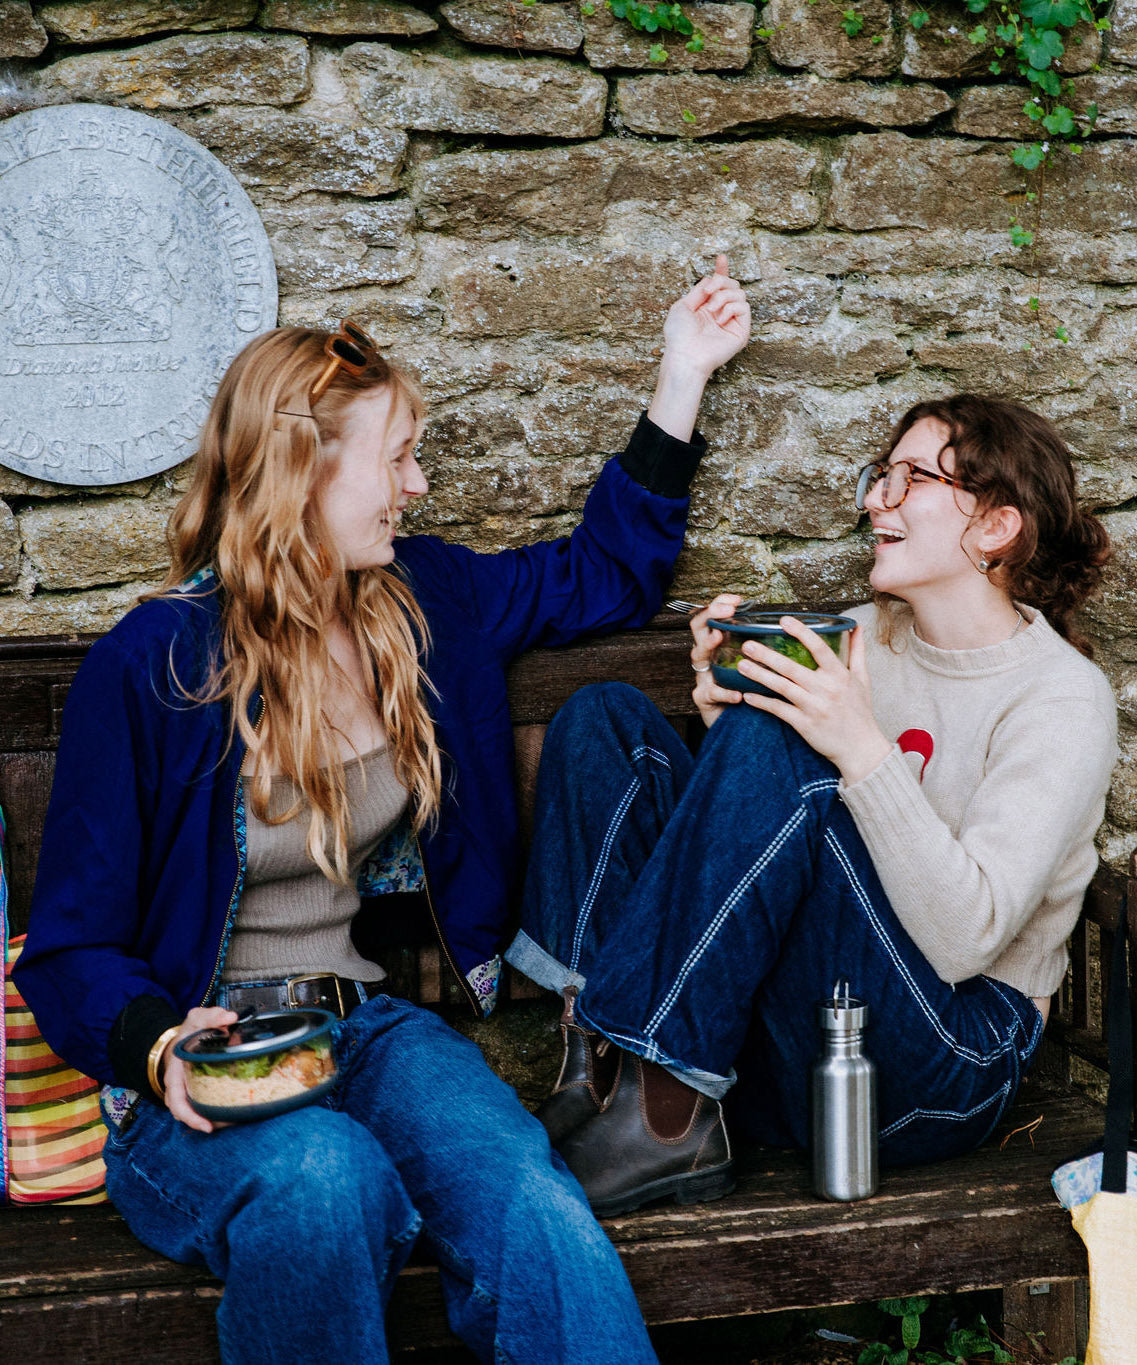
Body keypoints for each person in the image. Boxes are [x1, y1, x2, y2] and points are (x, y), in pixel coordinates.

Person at [13, 261, 751, 1363]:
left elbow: (605, 575)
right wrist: (157, 1045)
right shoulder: (153, 667)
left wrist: (681, 374)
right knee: (325, 1177)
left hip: (362, 1031)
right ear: (303, 471)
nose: (413, 486)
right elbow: (71, 947)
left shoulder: (427, 603)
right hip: (204, 1067)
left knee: (531, 1203)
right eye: (396, 459)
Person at [506, 393, 1118, 1218]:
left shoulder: (1059, 698)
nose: (874, 498)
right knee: (604, 721)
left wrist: (852, 742)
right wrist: (727, 724)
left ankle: (660, 1109)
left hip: (938, 1067)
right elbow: (771, 840)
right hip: (784, 1042)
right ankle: (609, 1080)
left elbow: (967, 937)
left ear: (994, 527)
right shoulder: (852, 637)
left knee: (780, 743)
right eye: (880, 476)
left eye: (910, 479)